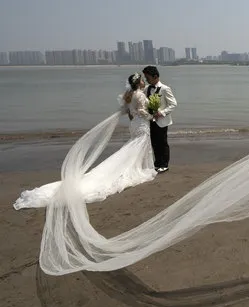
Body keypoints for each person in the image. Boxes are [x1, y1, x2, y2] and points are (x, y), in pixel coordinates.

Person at [14, 73, 157, 210]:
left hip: (134, 124)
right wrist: (152, 116)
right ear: (138, 82)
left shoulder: (129, 95)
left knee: (135, 145)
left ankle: (138, 166)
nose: (144, 81)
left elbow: (129, 111)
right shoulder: (139, 95)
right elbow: (141, 110)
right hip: (141, 123)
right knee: (140, 145)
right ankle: (140, 168)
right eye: (142, 80)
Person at [142, 65, 177, 173]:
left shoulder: (165, 89)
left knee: (162, 143)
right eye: (145, 77)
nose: (146, 80)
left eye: (147, 77)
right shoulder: (147, 88)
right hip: (150, 121)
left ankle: (164, 164)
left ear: (155, 76)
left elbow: (173, 104)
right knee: (154, 143)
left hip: (162, 121)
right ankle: (157, 163)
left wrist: (161, 113)